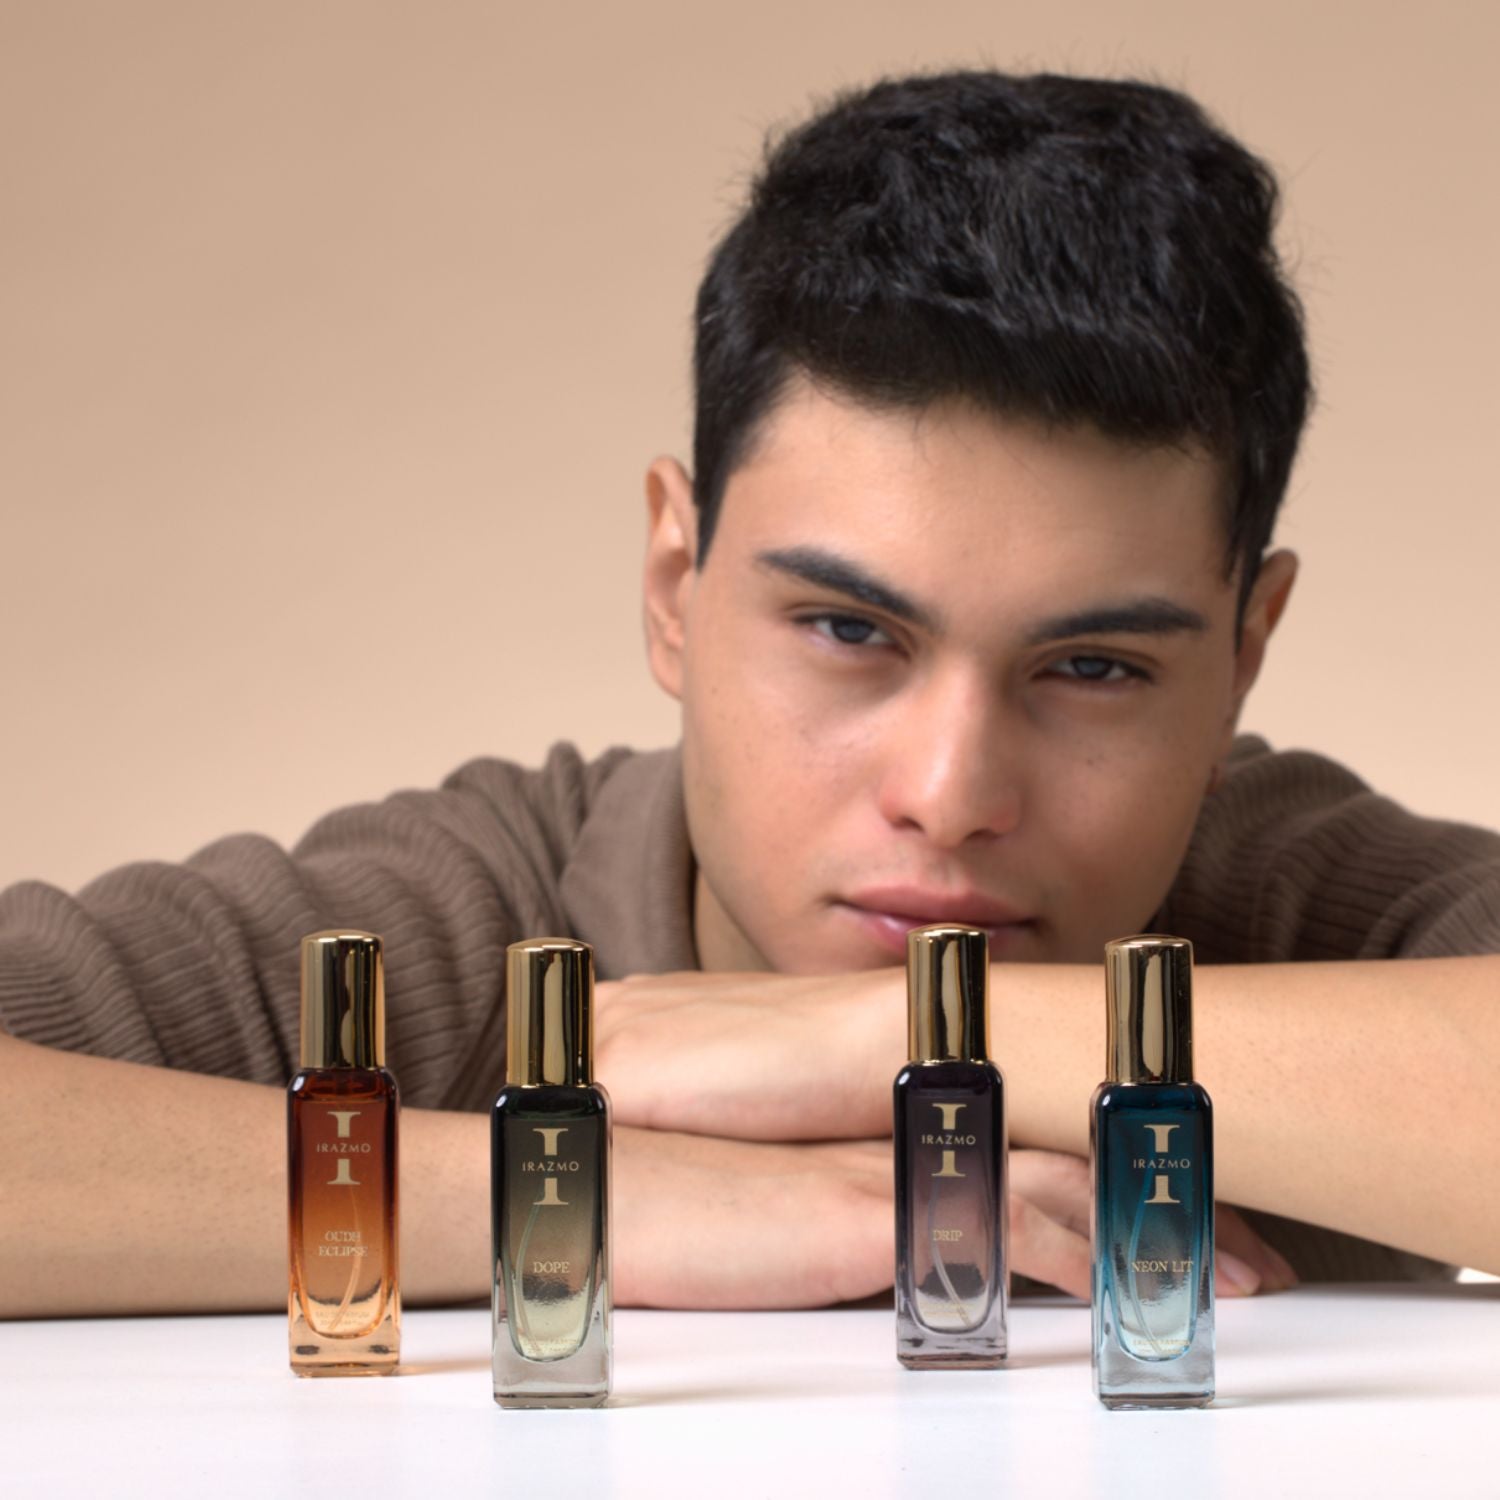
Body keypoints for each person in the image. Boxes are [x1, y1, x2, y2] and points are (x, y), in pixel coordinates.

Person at [2, 70, 1498, 1319]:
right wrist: (586, 1192)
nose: (953, 790)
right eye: (851, 632)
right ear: (675, 584)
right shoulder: (461, 932)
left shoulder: (1300, 906)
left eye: (1094, 668)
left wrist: (897, 1043)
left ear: (1246, 653)